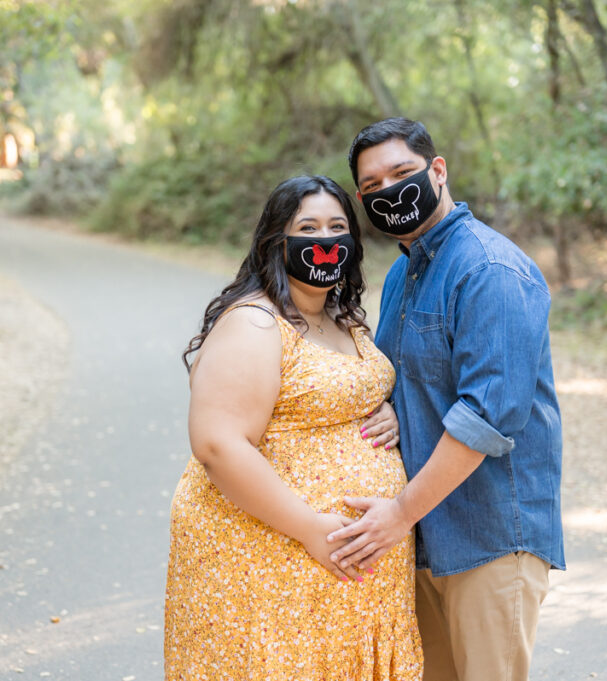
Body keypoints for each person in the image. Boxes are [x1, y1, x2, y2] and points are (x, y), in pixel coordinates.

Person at [328, 117, 566, 681]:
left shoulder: (490, 270)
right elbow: (406, 376)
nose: (388, 191)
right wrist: (391, 403)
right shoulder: (401, 276)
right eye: (371, 187)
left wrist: (398, 515)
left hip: (488, 537)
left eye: (402, 173)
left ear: (437, 171)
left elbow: (485, 419)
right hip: (420, 541)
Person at [164, 175, 423, 680]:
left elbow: (336, 396)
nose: (325, 240)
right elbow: (217, 444)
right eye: (308, 227)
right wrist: (310, 528)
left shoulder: (339, 317)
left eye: (338, 227)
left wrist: (386, 408)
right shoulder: (255, 322)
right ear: (275, 242)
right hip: (273, 562)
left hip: (348, 576)